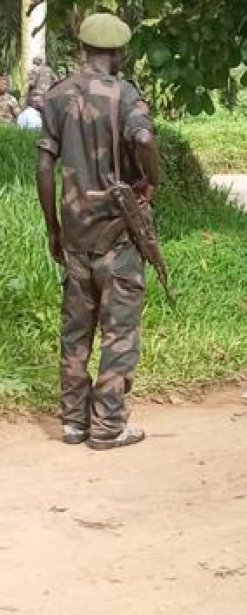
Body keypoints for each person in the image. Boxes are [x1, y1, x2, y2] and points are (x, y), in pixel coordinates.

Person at [36, 12, 159, 450]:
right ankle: (108, 425)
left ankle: (73, 421)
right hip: (117, 238)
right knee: (119, 331)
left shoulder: (56, 97)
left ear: (84, 49)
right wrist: (151, 181)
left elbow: (44, 166)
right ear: (118, 52)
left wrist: (53, 226)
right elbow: (143, 141)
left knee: (75, 331)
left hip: (75, 237)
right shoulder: (125, 96)